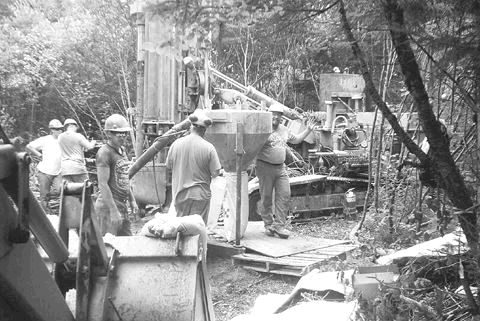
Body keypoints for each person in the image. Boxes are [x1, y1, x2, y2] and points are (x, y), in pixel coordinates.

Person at [256, 103, 315, 238]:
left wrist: (308, 130)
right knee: (266, 196)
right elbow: (252, 144)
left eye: (279, 114)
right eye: (273, 114)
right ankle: (268, 225)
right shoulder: (262, 129)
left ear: (282, 117)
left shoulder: (284, 130)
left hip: (280, 167)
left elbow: (297, 140)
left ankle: (279, 226)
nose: (276, 117)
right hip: (265, 167)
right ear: (268, 114)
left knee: (284, 194)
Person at [166, 109, 222, 224]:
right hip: (200, 196)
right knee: (196, 230)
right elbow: (215, 173)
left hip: (180, 195)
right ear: (204, 130)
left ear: (191, 127)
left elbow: (168, 166)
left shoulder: (176, 144)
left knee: (181, 228)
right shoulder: (209, 147)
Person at [95, 114, 138, 236]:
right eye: (118, 133)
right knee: (108, 247)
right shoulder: (104, 153)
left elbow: (124, 178)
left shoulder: (122, 150)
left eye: (124, 133)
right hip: (108, 207)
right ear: (108, 134)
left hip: (122, 205)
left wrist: (132, 200)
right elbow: (102, 184)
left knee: (128, 246)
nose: (122, 136)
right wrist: (113, 211)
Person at [26, 119, 64, 214]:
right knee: (44, 195)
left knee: (59, 190)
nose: (60, 131)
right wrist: (38, 155)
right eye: (57, 129)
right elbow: (29, 146)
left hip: (58, 171)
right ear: (52, 130)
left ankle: (46, 199)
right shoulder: (45, 139)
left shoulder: (63, 140)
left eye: (61, 129)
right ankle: (46, 214)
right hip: (44, 171)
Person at [58, 118, 96, 183]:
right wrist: (93, 142)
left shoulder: (60, 137)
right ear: (73, 126)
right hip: (78, 167)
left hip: (65, 169)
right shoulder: (79, 136)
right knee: (85, 188)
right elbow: (89, 147)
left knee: (67, 190)